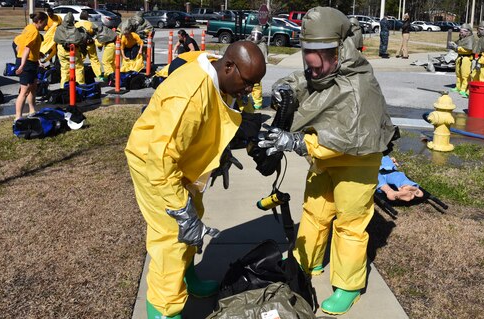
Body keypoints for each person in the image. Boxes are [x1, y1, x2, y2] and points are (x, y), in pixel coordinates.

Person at [259, 7, 396, 315]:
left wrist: (294, 141)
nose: (312, 60)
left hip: (356, 162)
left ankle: (348, 286)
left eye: (320, 51)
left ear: (341, 49)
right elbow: (306, 80)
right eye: (308, 50)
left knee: (349, 224)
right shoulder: (326, 71)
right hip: (323, 160)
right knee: (316, 211)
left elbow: (346, 139)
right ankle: (308, 260)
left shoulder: (360, 86)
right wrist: (287, 87)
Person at [124, 41, 266, 319]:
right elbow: (161, 159)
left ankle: (187, 278)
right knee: (173, 239)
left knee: (194, 219)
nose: (249, 91)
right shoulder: (189, 97)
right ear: (228, 66)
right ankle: (164, 311)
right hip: (155, 167)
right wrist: (179, 209)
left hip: (185, 164)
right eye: (247, 83)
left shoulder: (220, 71)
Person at [14, 12, 48, 120]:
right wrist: (22, 65)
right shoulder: (33, 31)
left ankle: (32, 111)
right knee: (24, 91)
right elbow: (27, 48)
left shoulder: (28, 27)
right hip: (27, 63)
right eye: (45, 23)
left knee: (33, 87)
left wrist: (38, 54)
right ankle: (18, 117)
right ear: (39, 21)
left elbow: (18, 46)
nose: (45, 26)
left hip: (31, 61)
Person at [54, 13, 86, 86]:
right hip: (74, 51)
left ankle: (63, 86)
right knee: (78, 68)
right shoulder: (76, 30)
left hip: (62, 51)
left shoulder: (59, 28)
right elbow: (80, 40)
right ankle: (81, 85)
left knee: (64, 69)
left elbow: (56, 39)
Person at [449, 23, 474, 98]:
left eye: (463, 31)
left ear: (468, 32)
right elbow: (457, 46)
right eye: (461, 31)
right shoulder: (461, 39)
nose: (461, 32)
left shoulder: (471, 39)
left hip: (467, 59)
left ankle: (463, 89)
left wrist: (457, 48)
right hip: (459, 58)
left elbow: (468, 49)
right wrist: (453, 46)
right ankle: (458, 87)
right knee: (458, 74)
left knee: (465, 75)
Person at [75, 11, 101, 80]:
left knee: (80, 60)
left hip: (80, 45)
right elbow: (97, 33)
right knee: (94, 60)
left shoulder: (76, 24)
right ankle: (99, 76)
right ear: (87, 17)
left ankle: (78, 76)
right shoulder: (91, 24)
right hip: (90, 44)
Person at [248, 25, 266, 109]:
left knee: (256, 85)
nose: (254, 37)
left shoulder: (262, 45)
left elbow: (262, 58)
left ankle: (257, 103)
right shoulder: (248, 42)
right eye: (253, 35)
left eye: (257, 35)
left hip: (256, 69)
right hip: (248, 67)